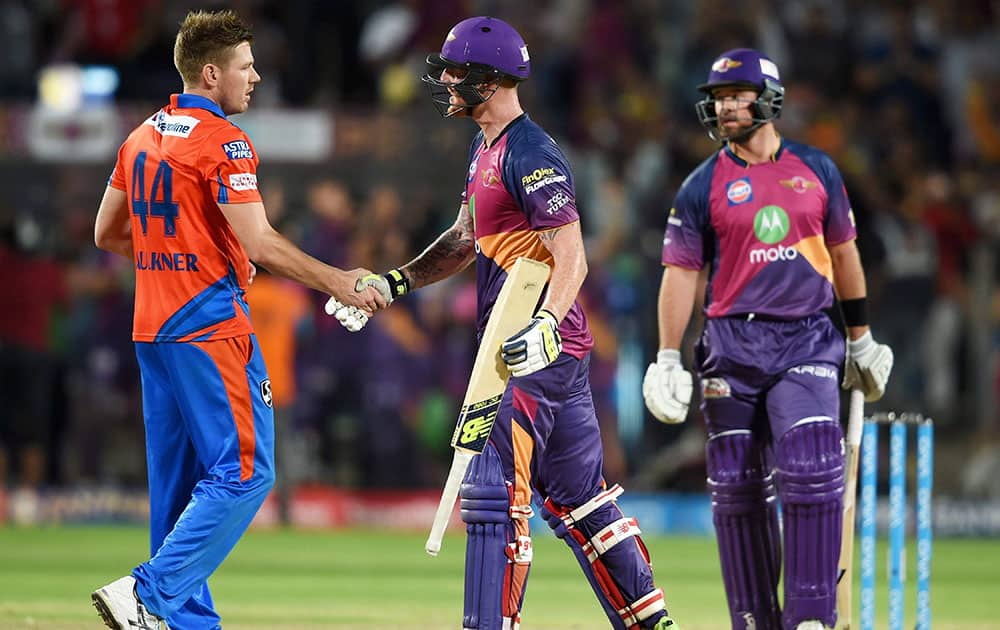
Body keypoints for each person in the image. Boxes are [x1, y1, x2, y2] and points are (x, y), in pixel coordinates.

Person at [338, 16, 678, 630]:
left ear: (491, 80)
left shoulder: (531, 152)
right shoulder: (485, 147)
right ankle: (653, 622)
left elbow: (573, 254)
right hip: (543, 352)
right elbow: (465, 238)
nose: (444, 79)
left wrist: (543, 324)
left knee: (496, 499)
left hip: (528, 355)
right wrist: (397, 282)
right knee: (583, 501)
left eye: (457, 72)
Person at [91, 10, 383, 630]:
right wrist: (343, 281)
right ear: (210, 72)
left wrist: (174, 263)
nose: (255, 78)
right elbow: (261, 244)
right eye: (246, 68)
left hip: (153, 329)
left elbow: (106, 232)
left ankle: (185, 621)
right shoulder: (224, 142)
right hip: (209, 326)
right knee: (248, 471)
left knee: (179, 486)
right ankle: (149, 593)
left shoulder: (139, 136)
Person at [642, 48, 894, 630]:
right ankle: (753, 620)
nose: (725, 107)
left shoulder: (817, 170)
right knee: (735, 484)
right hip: (731, 344)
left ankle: (810, 616)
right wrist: (666, 357)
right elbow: (681, 275)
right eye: (718, 98)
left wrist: (860, 340)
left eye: (737, 96)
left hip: (807, 337)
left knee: (810, 465)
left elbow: (843, 255)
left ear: (769, 98)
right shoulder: (700, 186)